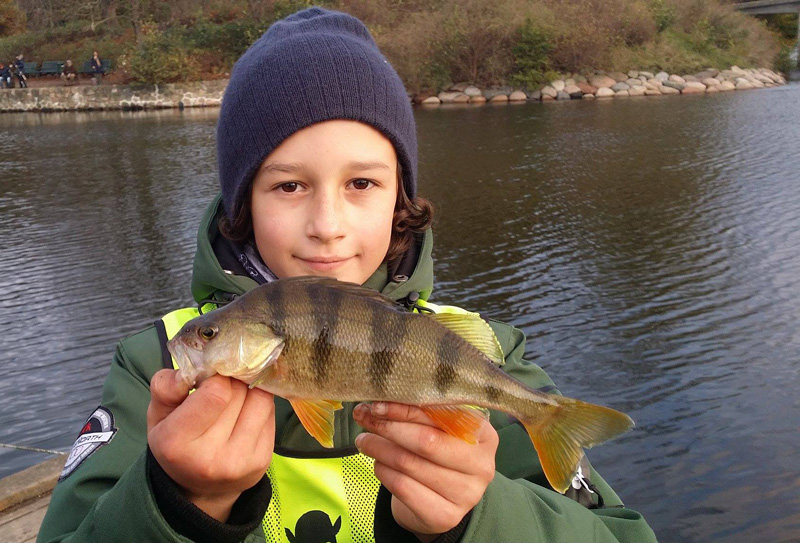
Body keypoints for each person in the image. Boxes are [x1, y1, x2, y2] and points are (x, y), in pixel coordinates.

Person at [37, 7, 657, 543]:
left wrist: (480, 516)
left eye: (361, 183)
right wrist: (174, 501)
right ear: (242, 205)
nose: (327, 224)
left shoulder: (490, 353)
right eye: (288, 185)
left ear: (400, 200)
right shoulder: (151, 368)